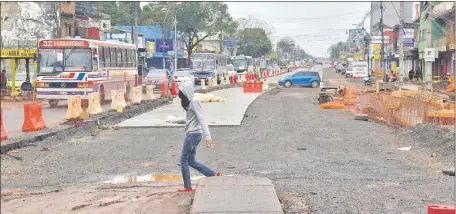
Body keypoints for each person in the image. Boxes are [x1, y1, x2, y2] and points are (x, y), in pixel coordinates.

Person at [177, 82, 221, 192]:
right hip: (195, 134)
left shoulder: (194, 102)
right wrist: (173, 120)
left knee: (183, 160)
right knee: (191, 160)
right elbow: (190, 120)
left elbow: (202, 119)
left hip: (192, 135)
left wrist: (208, 137)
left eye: (182, 95)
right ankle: (212, 174)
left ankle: (187, 187)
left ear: (187, 93)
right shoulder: (191, 102)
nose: (181, 98)